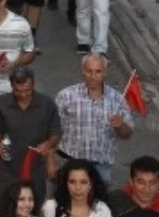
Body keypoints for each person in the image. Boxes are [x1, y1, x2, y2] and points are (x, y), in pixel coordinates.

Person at [54, 54, 133, 185]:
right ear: (83, 71)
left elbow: (127, 134)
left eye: (98, 72)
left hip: (101, 168)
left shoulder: (117, 99)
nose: (93, 76)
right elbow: (53, 130)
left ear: (105, 73)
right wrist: (51, 160)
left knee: (98, 205)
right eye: (89, 71)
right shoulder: (66, 96)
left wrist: (121, 125)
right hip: (69, 163)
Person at [0, 67, 62, 205]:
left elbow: (55, 133)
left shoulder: (47, 104)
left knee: (33, 208)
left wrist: (48, 145)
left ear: (33, 84)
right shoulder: (0, 104)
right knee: (3, 207)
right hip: (6, 168)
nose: (23, 95)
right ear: (11, 86)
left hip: (35, 167)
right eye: (18, 91)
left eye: (27, 90)